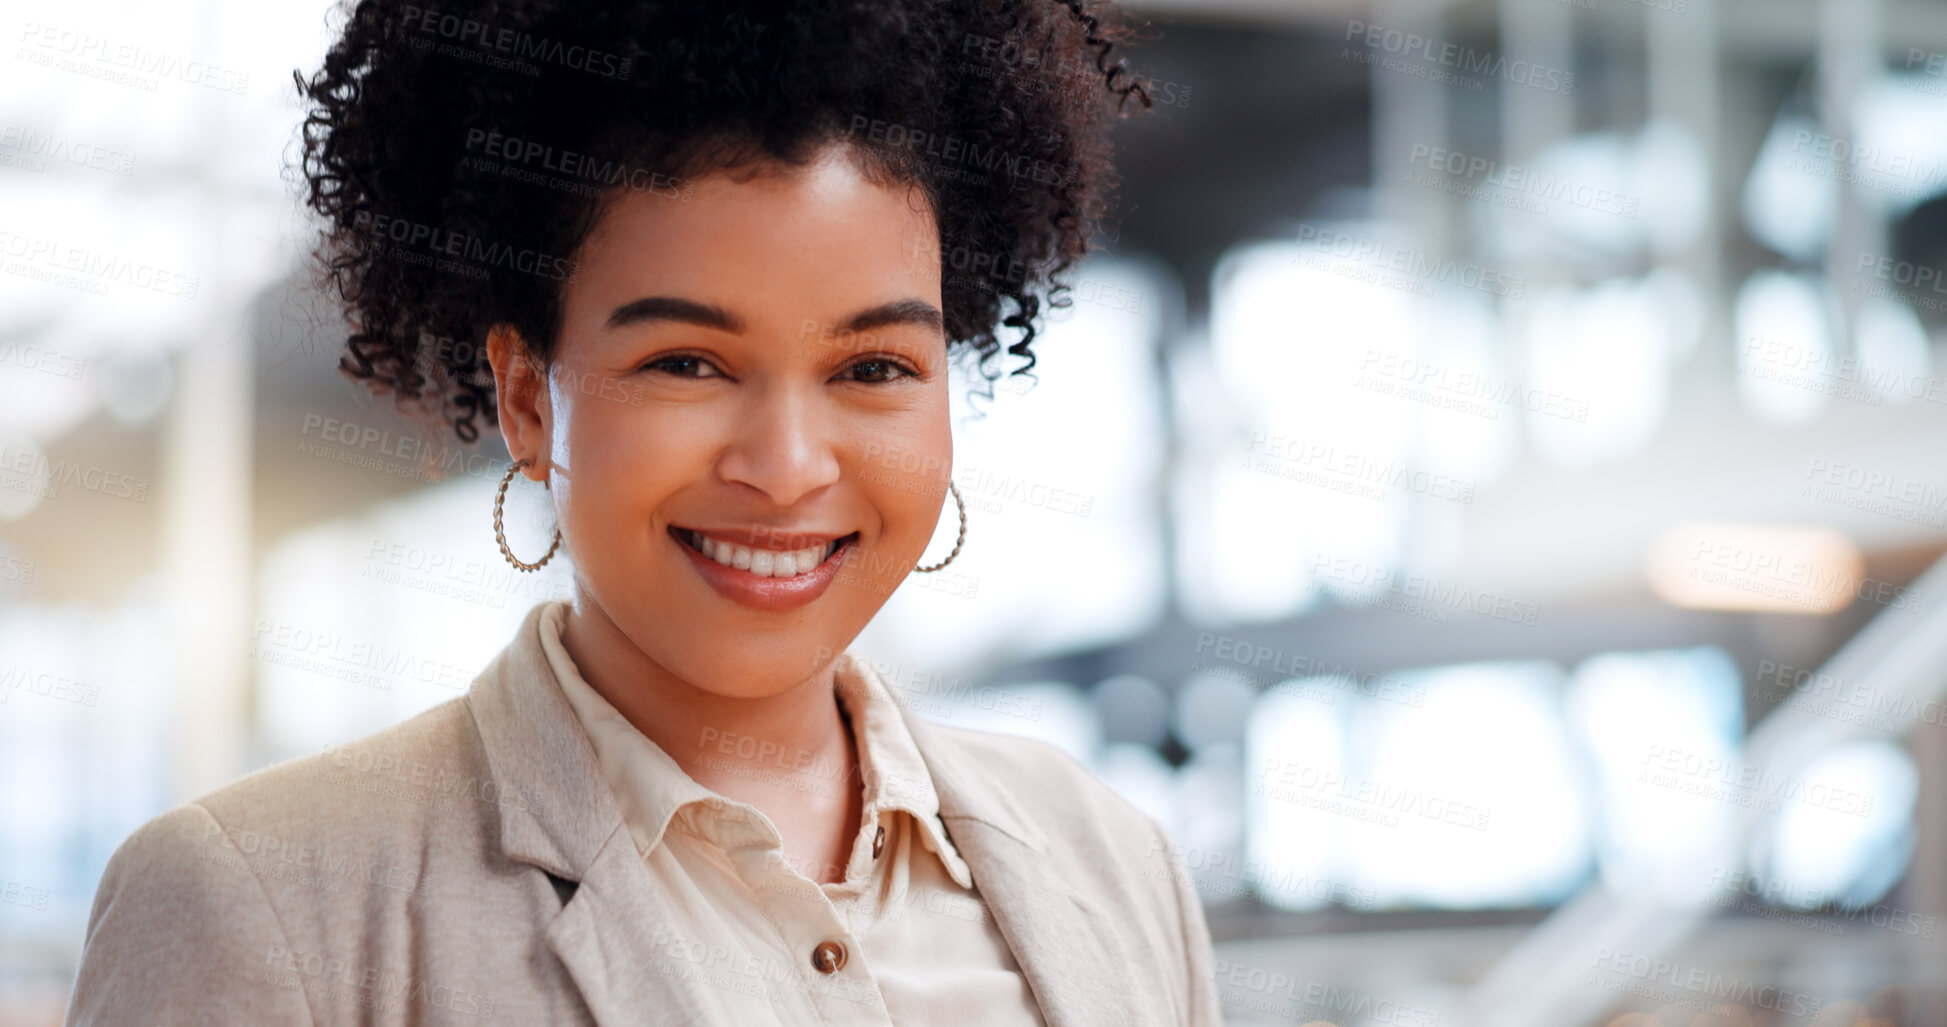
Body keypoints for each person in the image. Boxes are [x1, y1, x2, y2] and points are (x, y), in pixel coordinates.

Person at [63, 0, 1222, 1023]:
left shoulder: (1113, 865)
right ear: (527, 397)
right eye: (687, 363)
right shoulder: (263, 901)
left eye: (874, 368)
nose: (787, 465)